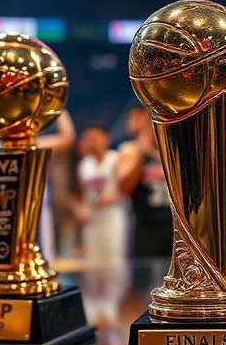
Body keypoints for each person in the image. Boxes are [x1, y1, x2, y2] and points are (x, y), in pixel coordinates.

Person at [117, 106, 173, 258]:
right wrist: (141, 152)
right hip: (145, 225)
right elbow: (124, 187)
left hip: (175, 227)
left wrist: (154, 152)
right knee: (145, 277)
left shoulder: (171, 147)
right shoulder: (131, 150)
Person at [73, 124, 125, 266]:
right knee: (93, 263)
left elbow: (127, 188)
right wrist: (79, 209)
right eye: (87, 139)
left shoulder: (116, 159)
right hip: (92, 221)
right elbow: (77, 194)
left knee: (115, 261)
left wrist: (112, 197)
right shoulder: (83, 165)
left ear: (105, 138)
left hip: (113, 217)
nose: (91, 142)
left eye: (94, 138)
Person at [36, 110, 76, 263]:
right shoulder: (34, 144)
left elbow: (68, 138)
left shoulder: (35, 143)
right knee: (42, 256)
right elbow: (68, 136)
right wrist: (57, 107)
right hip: (31, 206)